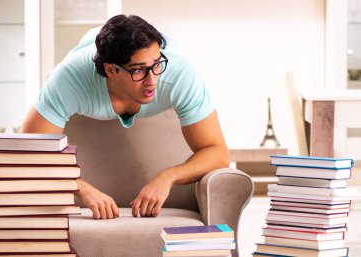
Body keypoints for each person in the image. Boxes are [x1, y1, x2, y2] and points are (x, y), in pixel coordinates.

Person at [20, 14, 230, 220]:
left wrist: (167, 177)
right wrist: (80, 187)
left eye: (156, 65)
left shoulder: (179, 73)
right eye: (138, 70)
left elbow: (217, 152)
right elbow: (28, 152)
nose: (152, 80)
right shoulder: (69, 78)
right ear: (111, 70)